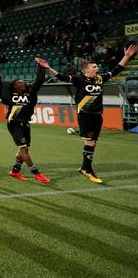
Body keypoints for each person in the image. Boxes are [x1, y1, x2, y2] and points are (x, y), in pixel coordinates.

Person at [37, 44, 137, 183]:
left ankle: (84, 167)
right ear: (86, 71)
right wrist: (48, 68)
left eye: (97, 66)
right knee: (89, 142)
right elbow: (62, 76)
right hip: (85, 115)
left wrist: (126, 57)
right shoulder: (79, 79)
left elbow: (116, 70)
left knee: (93, 142)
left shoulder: (100, 79)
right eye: (94, 67)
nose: (97, 68)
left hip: (98, 115)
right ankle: (88, 170)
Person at [0, 61, 51, 184]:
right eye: (20, 82)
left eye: (24, 81)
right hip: (14, 123)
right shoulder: (10, 94)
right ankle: (36, 173)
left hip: (26, 123)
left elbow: (39, 80)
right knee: (24, 149)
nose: (24, 82)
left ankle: (15, 171)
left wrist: (41, 66)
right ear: (15, 86)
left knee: (23, 150)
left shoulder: (30, 92)